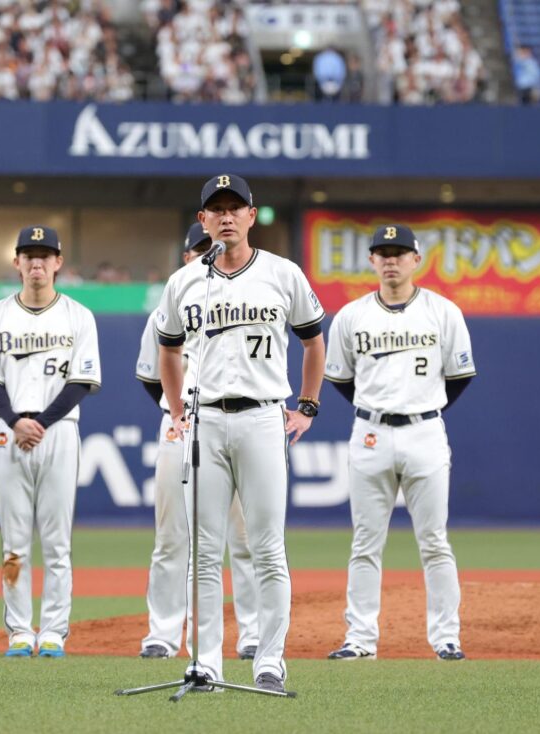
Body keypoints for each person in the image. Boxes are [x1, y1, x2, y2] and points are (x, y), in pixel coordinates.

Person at [155, 174, 325, 694]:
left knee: (267, 547)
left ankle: (269, 662)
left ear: (252, 215)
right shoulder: (185, 281)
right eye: (216, 209)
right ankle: (206, 664)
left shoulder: (282, 273)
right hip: (205, 420)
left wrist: (308, 406)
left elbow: (314, 341)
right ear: (202, 220)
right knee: (205, 552)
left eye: (235, 207)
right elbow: (167, 349)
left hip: (261, 418)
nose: (226, 216)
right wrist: (177, 410)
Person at [323, 224, 476, 662]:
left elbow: (459, 376)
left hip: (425, 430)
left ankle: (446, 637)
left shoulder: (443, 311)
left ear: (416, 259)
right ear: (372, 260)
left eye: (399, 252)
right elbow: (340, 378)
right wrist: (379, 407)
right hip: (370, 433)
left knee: (434, 541)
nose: (391, 260)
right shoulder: (351, 316)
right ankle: (360, 639)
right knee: (365, 543)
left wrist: (421, 408)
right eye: (383, 253)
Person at [0, 225, 101, 659]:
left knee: (57, 542)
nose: (37, 263)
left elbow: (81, 382)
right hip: (7, 430)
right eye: (29, 255)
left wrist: (39, 423)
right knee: (14, 543)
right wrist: (15, 421)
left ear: (58, 262)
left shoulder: (78, 316)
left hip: (58, 430)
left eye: (45, 255)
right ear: (17, 262)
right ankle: (20, 631)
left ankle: (54, 632)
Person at [135, 222, 259, 660]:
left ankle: (253, 634)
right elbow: (152, 375)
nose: (212, 253)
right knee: (172, 536)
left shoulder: (248, 302)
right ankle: (163, 634)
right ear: (187, 257)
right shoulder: (166, 311)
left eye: (217, 247)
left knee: (245, 536)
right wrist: (177, 411)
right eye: (203, 248)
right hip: (182, 428)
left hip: (238, 424)